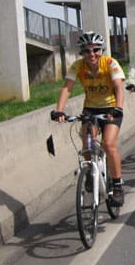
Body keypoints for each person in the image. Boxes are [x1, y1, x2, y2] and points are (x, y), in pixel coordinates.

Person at [52, 31, 127, 205]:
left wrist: (118, 108)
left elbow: (118, 88)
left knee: (108, 144)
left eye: (95, 50)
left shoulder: (110, 63)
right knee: (87, 146)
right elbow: (67, 88)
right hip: (91, 109)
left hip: (111, 109)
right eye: (86, 50)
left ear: (101, 50)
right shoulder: (78, 66)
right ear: (82, 52)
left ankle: (117, 186)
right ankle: (89, 173)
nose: (91, 54)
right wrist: (59, 110)